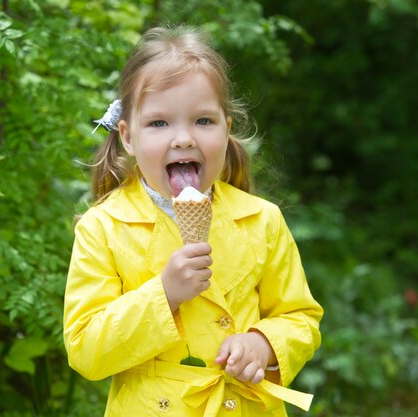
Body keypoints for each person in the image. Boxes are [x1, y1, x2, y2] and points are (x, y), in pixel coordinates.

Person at [63, 25, 323, 417]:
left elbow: (301, 318)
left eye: (203, 121)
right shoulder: (103, 228)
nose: (183, 138)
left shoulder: (262, 220)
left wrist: (263, 343)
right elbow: (85, 349)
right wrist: (163, 294)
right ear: (128, 137)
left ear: (226, 130)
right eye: (159, 123)